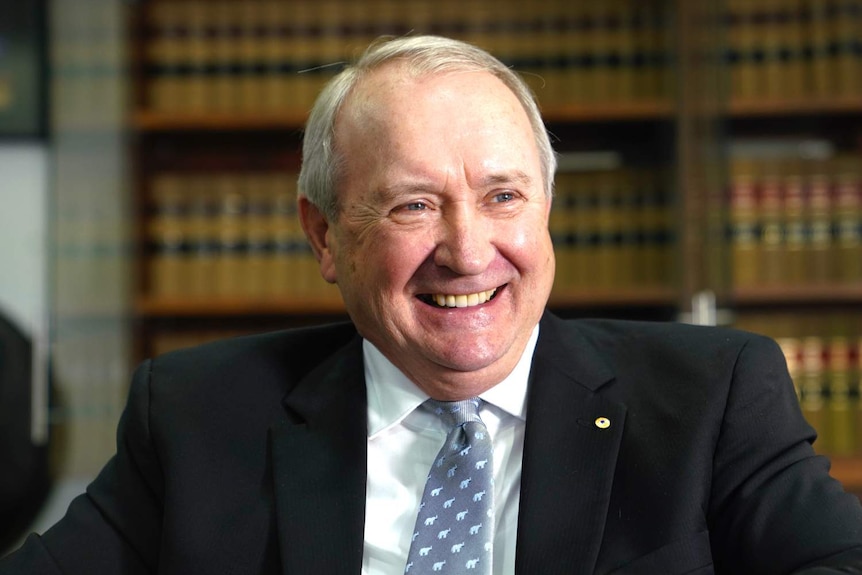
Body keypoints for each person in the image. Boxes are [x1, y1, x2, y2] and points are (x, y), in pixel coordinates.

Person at [2, 34, 862, 575]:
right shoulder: (197, 416)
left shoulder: (712, 398)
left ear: (547, 209)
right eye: (413, 203)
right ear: (325, 236)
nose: (467, 249)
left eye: (503, 196)